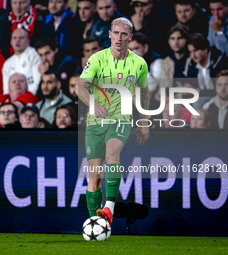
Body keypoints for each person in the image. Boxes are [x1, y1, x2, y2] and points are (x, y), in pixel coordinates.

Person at [76, 18, 149, 226]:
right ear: (109, 34)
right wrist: (93, 104)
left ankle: (109, 207)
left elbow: (144, 93)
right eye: (116, 33)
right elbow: (79, 87)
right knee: (95, 177)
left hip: (121, 118)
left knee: (112, 153)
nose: (119, 38)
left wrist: (143, 121)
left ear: (130, 37)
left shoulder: (139, 63)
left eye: (124, 34)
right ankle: (95, 224)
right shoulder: (97, 59)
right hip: (96, 121)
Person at [184, 33, 228, 101]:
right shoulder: (192, 63)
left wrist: (198, 92)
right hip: (201, 98)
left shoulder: (221, 62)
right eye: (190, 52)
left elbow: (221, 91)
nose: (192, 56)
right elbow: (189, 81)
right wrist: (187, 86)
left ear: (205, 49)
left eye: (195, 51)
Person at [2, 29, 41, 95]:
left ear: (28, 41)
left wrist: (28, 97)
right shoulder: (7, 63)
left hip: (32, 96)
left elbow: (37, 81)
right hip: (14, 100)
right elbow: (6, 89)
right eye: (15, 38)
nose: (17, 40)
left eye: (21, 38)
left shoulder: (34, 55)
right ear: (11, 42)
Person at [160, 24, 189, 89]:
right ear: (169, 42)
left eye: (179, 38)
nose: (176, 42)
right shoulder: (166, 61)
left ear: (186, 40)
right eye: (172, 38)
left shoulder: (192, 60)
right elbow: (163, 87)